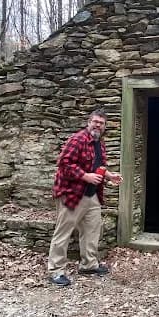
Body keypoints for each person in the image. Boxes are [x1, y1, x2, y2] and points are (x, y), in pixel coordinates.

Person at [48, 109, 123, 287]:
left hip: (91, 194)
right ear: (88, 122)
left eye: (101, 123)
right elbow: (64, 164)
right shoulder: (78, 139)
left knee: (92, 230)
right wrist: (85, 176)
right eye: (95, 121)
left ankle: (89, 265)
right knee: (63, 232)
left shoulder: (99, 142)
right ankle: (56, 271)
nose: (98, 125)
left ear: (104, 127)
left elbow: (99, 166)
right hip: (72, 193)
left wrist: (109, 176)